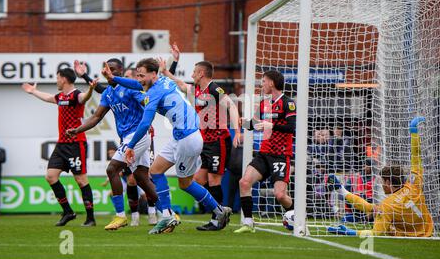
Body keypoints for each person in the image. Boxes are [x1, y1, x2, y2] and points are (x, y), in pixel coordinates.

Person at [102, 57, 232, 234]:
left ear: (154, 74)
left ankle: (216, 211)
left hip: (188, 138)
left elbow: (145, 123)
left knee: (185, 183)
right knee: (155, 171)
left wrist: (131, 145)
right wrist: (114, 79)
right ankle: (168, 214)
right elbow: (134, 84)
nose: (138, 79)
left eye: (141, 75)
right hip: (180, 136)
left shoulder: (154, 93)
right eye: (137, 75)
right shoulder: (161, 81)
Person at [67, 59, 159, 231]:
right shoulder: (108, 93)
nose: (109, 72)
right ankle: (168, 212)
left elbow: (147, 103)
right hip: (127, 138)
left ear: (121, 71)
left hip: (137, 135)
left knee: (112, 169)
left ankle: (120, 216)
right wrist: (78, 129)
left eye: (114, 69)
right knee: (141, 178)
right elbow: (96, 118)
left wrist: (151, 105)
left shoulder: (131, 88)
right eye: (107, 69)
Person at [161, 43, 241, 231]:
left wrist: (237, 130)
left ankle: (217, 219)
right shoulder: (195, 91)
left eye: (195, 72)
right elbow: (175, 82)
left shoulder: (215, 89)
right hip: (203, 142)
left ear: (202, 73)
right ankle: (219, 211)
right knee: (197, 181)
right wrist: (173, 62)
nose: (192, 75)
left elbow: (232, 106)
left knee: (214, 180)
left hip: (218, 141)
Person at [327, 117, 434, 237]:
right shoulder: (414, 184)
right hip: (428, 232)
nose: (381, 184)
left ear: (388, 182)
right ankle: (340, 189)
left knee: (384, 222)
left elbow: (375, 233)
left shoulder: (388, 205)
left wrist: (350, 232)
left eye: (382, 181)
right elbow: (416, 156)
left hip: (411, 237)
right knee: (373, 208)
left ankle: (341, 190)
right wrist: (414, 131)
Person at [21, 68, 96, 226]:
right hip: (61, 144)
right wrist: (34, 91)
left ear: (64, 79)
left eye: (57, 78)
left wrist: (90, 90)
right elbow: (48, 97)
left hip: (76, 144)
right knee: (50, 176)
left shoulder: (76, 94)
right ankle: (68, 212)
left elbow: (84, 98)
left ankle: (90, 218)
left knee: (81, 180)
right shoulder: (60, 96)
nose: (56, 81)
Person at [234, 70, 296, 233]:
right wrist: (242, 123)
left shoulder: (288, 103)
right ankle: (248, 223)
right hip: (264, 154)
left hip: (281, 155)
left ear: (271, 83)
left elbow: (292, 127)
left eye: (263, 81)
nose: (261, 85)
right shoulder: (263, 104)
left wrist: (272, 126)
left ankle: (296, 214)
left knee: (280, 195)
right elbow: (255, 124)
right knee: (244, 182)